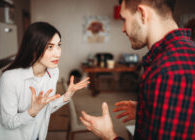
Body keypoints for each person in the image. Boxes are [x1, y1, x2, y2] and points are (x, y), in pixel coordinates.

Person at [80, 0, 195, 139]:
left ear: (142, 14)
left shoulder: (166, 73)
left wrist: (109, 136)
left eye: (124, 19)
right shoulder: (185, 52)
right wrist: (146, 110)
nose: (123, 28)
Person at [0, 22, 89, 140]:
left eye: (59, 45)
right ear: (34, 49)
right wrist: (31, 112)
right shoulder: (10, 78)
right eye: (50, 47)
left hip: (37, 135)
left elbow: (45, 108)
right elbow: (7, 122)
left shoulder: (53, 71)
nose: (57, 53)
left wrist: (67, 96)